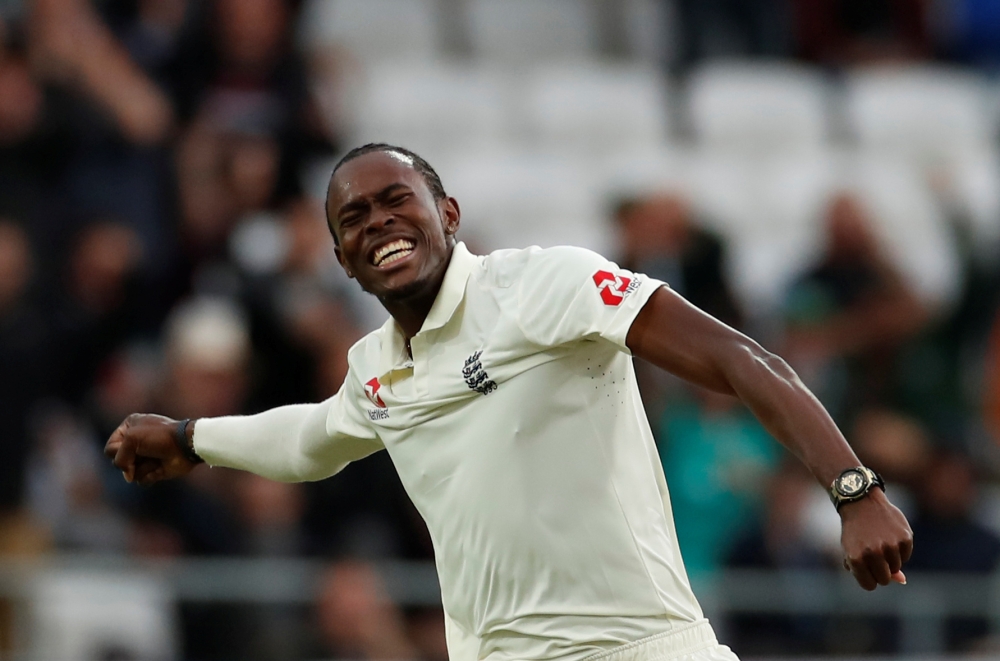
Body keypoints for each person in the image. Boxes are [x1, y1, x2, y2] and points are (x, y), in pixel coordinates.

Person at [106, 143, 913, 661]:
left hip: (639, 648)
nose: (380, 221)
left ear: (447, 215)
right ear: (345, 261)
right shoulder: (377, 370)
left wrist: (854, 487)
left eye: (398, 199)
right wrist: (189, 435)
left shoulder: (542, 285)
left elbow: (741, 357)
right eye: (355, 217)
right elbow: (310, 437)